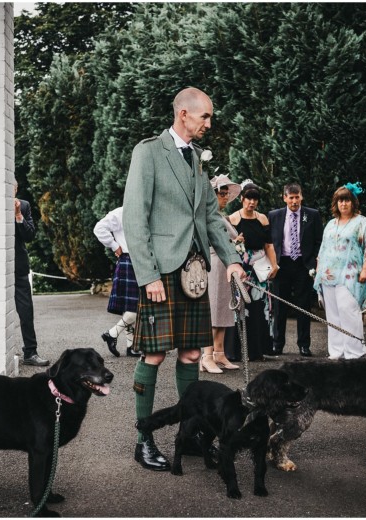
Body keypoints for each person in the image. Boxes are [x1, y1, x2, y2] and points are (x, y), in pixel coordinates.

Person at [122, 87, 246, 471]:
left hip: (194, 273)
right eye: (205, 116)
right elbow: (134, 216)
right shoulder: (148, 152)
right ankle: (144, 439)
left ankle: (189, 434)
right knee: (154, 354)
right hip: (162, 271)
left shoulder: (195, 159)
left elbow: (209, 216)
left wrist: (232, 261)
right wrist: (148, 275)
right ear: (183, 114)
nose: (209, 123)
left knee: (192, 354)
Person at [313, 182, 366, 359]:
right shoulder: (331, 224)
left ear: (353, 202)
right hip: (328, 276)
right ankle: (336, 352)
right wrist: (318, 270)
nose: (343, 204)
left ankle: (354, 353)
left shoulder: (361, 222)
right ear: (336, 203)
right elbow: (323, 248)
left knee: (349, 312)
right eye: (340, 201)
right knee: (333, 316)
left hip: (350, 275)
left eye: (347, 200)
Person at [268, 182, 324, 357]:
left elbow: (318, 241)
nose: (294, 201)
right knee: (279, 306)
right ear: (284, 198)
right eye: (290, 197)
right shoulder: (274, 215)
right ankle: (277, 344)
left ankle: (304, 345)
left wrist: (313, 263)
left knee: (303, 306)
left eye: (297, 197)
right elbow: (269, 241)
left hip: (303, 265)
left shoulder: (312, 215)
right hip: (281, 264)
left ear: (301, 196)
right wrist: (271, 263)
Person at [228, 181, 280, 362]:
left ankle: (257, 350)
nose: (252, 202)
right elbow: (227, 244)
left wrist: (274, 265)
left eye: (255, 199)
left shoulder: (263, 219)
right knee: (240, 308)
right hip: (241, 266)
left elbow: (269, 245)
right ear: (242, 199)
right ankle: (235, 350)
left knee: (259, 308)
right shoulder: (233, 219)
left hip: (260, 268)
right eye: (249, 198)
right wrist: (236, 244)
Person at [200, 174, 242, 373]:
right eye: (221, 194)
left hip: (224, 265)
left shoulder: (222, 217)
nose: (225, 197)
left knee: (224, 309)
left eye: (226, 194)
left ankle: (219, 352)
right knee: (212, 309)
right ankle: (206, 356)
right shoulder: (207, 216)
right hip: (212, 263)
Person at [94, 206, 140, 358]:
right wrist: (114, 245)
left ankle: (131, 346)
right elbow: (99, 228)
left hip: (139, 260)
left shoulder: (145, 209)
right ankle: (112, 334)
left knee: (131, 306)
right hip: (129, 259)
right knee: (136, 306)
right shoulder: (121, 212)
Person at [14, 183, 49, 366]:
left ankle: (30, 353)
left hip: (18, 267)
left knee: (26, 311)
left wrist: (18, 215)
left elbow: (29, 236)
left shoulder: (24, 206)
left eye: (12, 189)